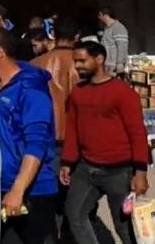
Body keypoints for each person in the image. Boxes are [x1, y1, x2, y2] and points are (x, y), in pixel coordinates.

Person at [61, 41, 150, 244]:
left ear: (99, 59)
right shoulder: (77, 93)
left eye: (82, 61)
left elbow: (137, 132)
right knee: (75, 214)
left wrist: (140, 173)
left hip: (119, 171)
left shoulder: (122, 92)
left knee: (124, 227)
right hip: (86, 168)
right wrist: (67, 162)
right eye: (76, 61)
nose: (78, 66)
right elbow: (73, 129)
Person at [0, 26, 58, 244]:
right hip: (3, 184)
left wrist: (18, 190)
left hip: (33, 190)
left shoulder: (31, 89)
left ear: (0, 52)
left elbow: (36, 143)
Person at [30, 17, 80, 160]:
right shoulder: (85, 65)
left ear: (53, 35)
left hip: (44, 132)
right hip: (76, 134)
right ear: (77, 36)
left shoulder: (34, 65)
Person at [98, 7, 129, 73]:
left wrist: (120, 63)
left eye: (100, 15)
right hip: (107, 64)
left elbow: (122, 46)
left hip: (114, 65)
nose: (99, 17)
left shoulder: (118, 27)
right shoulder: (107, 28)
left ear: (106, 16)